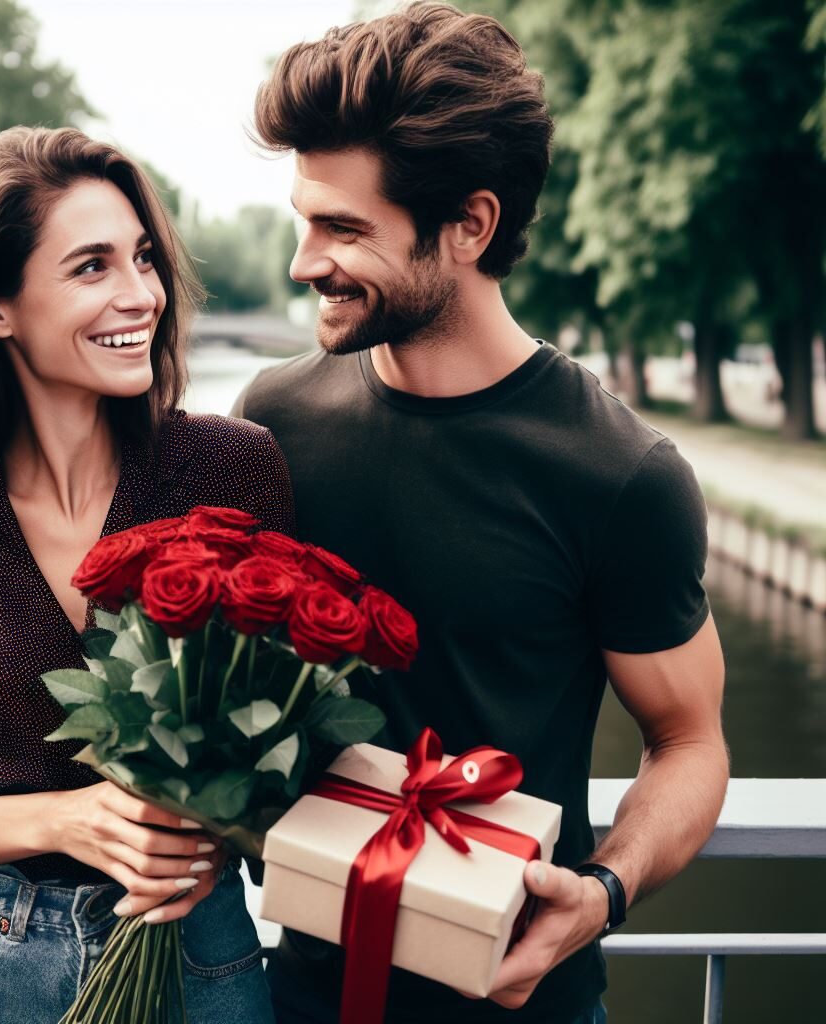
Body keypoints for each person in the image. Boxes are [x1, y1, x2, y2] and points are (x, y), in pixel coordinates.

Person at [232, 4, 728, 1022]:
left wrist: (602, 889)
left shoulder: (619, 472)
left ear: (470, 225)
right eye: (303, 219)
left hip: (521, 1004)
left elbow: (688, 739)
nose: (302, 261)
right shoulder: (270, 421)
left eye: (342, 228)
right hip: (297, 998)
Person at [0, 126, 287, 1024]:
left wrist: (223, 813)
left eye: (143, 258)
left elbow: (288, 740)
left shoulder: (236, 471)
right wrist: (62, 820)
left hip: (200, 953)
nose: (140, 294)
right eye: (91, 267)